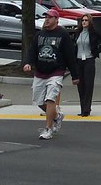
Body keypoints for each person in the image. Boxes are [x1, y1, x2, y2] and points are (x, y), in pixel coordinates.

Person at [22, 8, 79, 140]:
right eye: (46, 17)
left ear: (56, 20)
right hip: (40, 72)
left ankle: (48, 129)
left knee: (50, 99)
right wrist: (28, 62)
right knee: (39, 101)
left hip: (56, 71)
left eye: (50, 17)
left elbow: (70, 56)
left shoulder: (62, 34)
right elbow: (32, 51)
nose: (47, 19)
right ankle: (57, 116)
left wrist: (75, 76)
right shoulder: (40, 35)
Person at [74, 14, 101, 115]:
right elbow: (74, 45)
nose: (84, 22)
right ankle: (82, 108)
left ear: (90, 22)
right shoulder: (78, 33)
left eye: (86, 20)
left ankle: (86, 109)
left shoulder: (93, 33)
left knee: (88, 85)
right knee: (80, 85)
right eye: (82, 20)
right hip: (79, 61)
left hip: (89, 60)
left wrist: (96, 52)